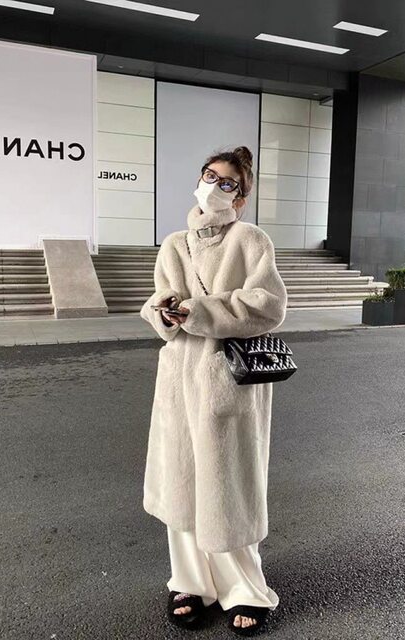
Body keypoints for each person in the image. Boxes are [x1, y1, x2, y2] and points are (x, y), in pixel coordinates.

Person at [139, 146, 288, 635]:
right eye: (209, 176)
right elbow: (156, 302)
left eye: (227, 183)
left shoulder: (250, 239)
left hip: (226, 379)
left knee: (228, 488)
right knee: (181, 484)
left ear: (240, 197)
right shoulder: (174, 244)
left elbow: (268, 305)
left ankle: (246, 590)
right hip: (178, 379)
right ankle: (189, 581)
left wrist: (200, 311)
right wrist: (164, 311)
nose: (214, 187)